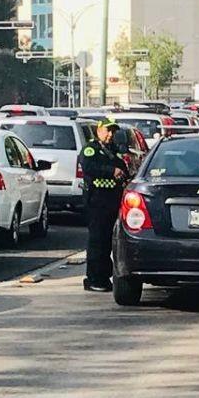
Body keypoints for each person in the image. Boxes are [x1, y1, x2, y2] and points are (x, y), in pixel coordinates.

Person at [80, 118, 129, 292]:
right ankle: (94, 279)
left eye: (113, 132)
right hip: (97, 202)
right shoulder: (91, 150)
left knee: (108, 242)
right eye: (108, 131)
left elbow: (123, 169)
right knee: (97, 242)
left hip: (112, 203)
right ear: (99, 130)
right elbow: (88, 166)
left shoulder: (112, 151)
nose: (110, 135)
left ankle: (104, 277)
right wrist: (111, 171)